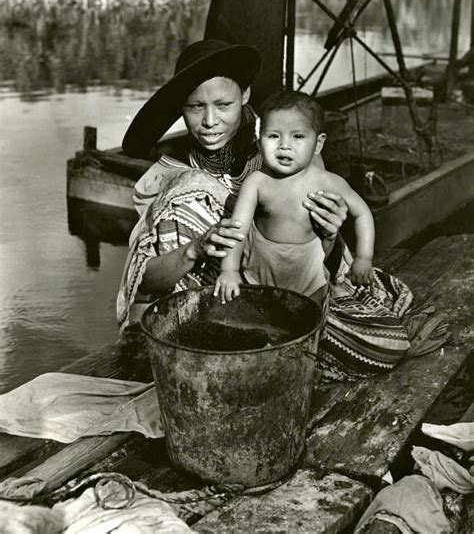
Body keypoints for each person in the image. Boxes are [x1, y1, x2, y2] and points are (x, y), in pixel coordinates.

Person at [118, 39, 415, 382]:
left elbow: (326, 257)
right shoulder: (168, 175)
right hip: (219, 299)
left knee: (365, 336)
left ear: (245, 95)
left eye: (223, 104)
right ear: (181, 108)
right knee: (186, 193)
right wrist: (195, 248)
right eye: (195, 107)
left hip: (297, 287)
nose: (209, 120)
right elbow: (145, 283)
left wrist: (332, 237)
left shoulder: (287, 150)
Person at [214, 90, 374, 305]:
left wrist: (364, 257)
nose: (284, 145)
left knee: (309, 320)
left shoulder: (328, 181)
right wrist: (230, 269)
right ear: (260, 142)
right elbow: (237, 229)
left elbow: (363, 213)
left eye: (297, 136)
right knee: (256, 318)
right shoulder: (257, 182)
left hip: (308, 276)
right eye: (273, 136)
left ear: (318, 144)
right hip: (258, 273)